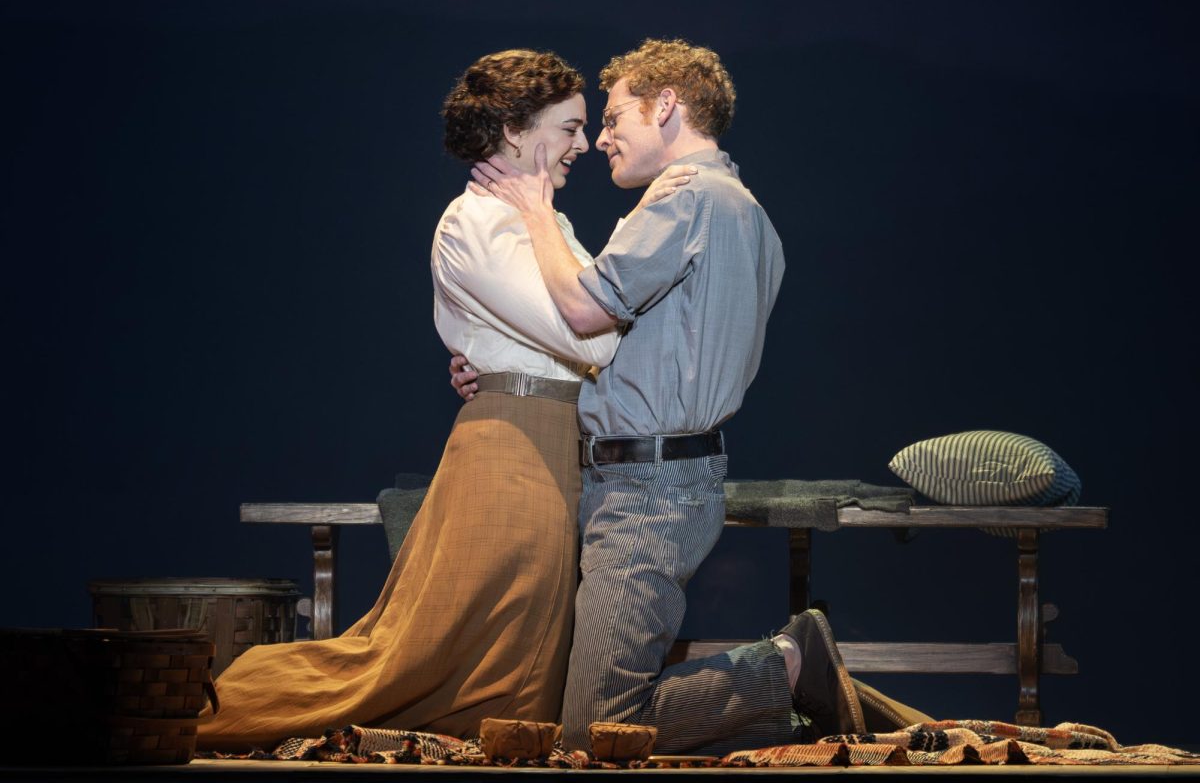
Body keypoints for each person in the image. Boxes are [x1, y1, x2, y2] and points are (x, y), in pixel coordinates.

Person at [197, 49, 688, 751]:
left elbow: (589, 328)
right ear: (516, 131)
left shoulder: (541, 221)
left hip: (552, 444)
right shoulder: (477, 224)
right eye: (570, 128)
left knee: (517, 656)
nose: (584, 144)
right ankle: (218, 706)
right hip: (513, 453)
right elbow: (597, 342)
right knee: (421, 655)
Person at [465, 38, 930, 755]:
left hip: (647, 486)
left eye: (617, 116)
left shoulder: (686, 197)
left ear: (669, 107)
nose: (602, 138)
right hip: (662, 479)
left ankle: (787, 663)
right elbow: (632, 350)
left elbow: (588, 312)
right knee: (589, 706)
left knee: (593, 730)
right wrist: (495, 365)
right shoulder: (749, 213)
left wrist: (532, 208)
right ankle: (785, 676)